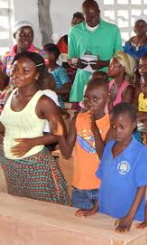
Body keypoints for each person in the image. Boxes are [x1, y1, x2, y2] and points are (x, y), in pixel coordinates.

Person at [0, 51, 70, 205]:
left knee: (43, 211)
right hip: (12, 165)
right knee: (22, 209)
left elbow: (60, 132)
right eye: (15, 68)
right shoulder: (10, 95)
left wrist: (33, 142)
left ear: (36, 75)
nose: (17, 74)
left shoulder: (43, 102)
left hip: (35, 166)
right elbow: (10, 124)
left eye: (26, 71)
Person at [76, 103, 147, 233]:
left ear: (133, 125)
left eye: (122, 127)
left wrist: (130, 217)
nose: (117, 131)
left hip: (129, 217)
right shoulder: (109, 147)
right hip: (106, 213)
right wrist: (95, 207)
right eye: (113, 126)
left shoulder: (140, 151)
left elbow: (142, 186)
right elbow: (103, 182)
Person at [62, 78, 111, 210]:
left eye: (96, 99)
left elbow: (104, 156)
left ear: (107, 99)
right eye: (86, 98)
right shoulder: (77, 119)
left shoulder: (111, 123)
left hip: (101, 188)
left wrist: (94, 128)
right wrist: (60, 133)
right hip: (80, 189)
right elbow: (66, 154)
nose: (90, 103)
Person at [68, 0, 123, 103]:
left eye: (94, 15)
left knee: (105, 111)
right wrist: (76, 62)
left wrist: (103, 63)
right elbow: (71, 58)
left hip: (106, 78)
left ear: (99, 12)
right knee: (81, 113)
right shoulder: (75, 31)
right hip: (83, 80)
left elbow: (120, 58)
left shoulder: (112, 30)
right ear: (83, 15)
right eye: (88, 16)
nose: (92, 19)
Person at [0, 21, 48, 91]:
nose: (26, 37)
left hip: (31, 94)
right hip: (11, 94)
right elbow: (2, 86)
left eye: (30, 34)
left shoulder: (41, 54)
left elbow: (44, 79)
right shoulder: (7, 55)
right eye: (22, 34)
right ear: (14, 35)